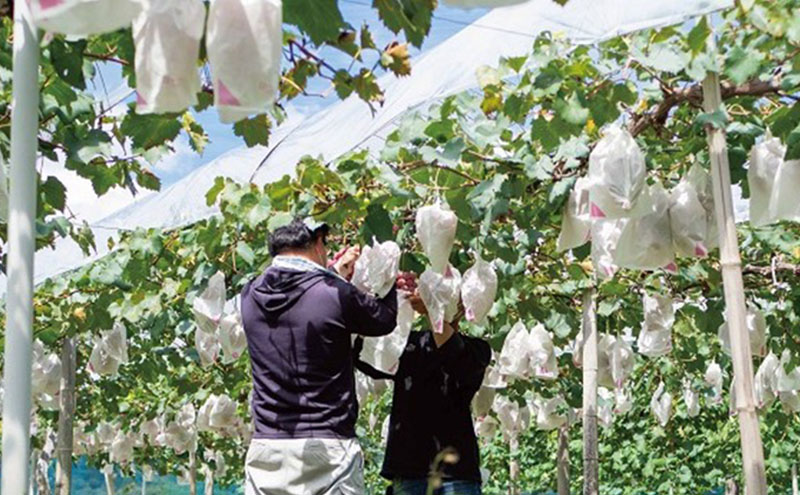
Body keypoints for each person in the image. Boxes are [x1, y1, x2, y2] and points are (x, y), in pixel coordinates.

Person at [240, 218, 410, 495]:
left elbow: (304, 297)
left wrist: (333, 272)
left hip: (268, 446)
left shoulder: (249, 294)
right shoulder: (334, 294)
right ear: (318, 242)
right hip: (328, 446)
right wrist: (389, 283)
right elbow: (382, 320)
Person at [355, 289, 491, 495]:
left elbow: (454, 354)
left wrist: (431, 310)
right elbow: (366, 357)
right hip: (409, 474)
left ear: (462, 309)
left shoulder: (477, 349)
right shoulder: (409, 344)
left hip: (455, 477)